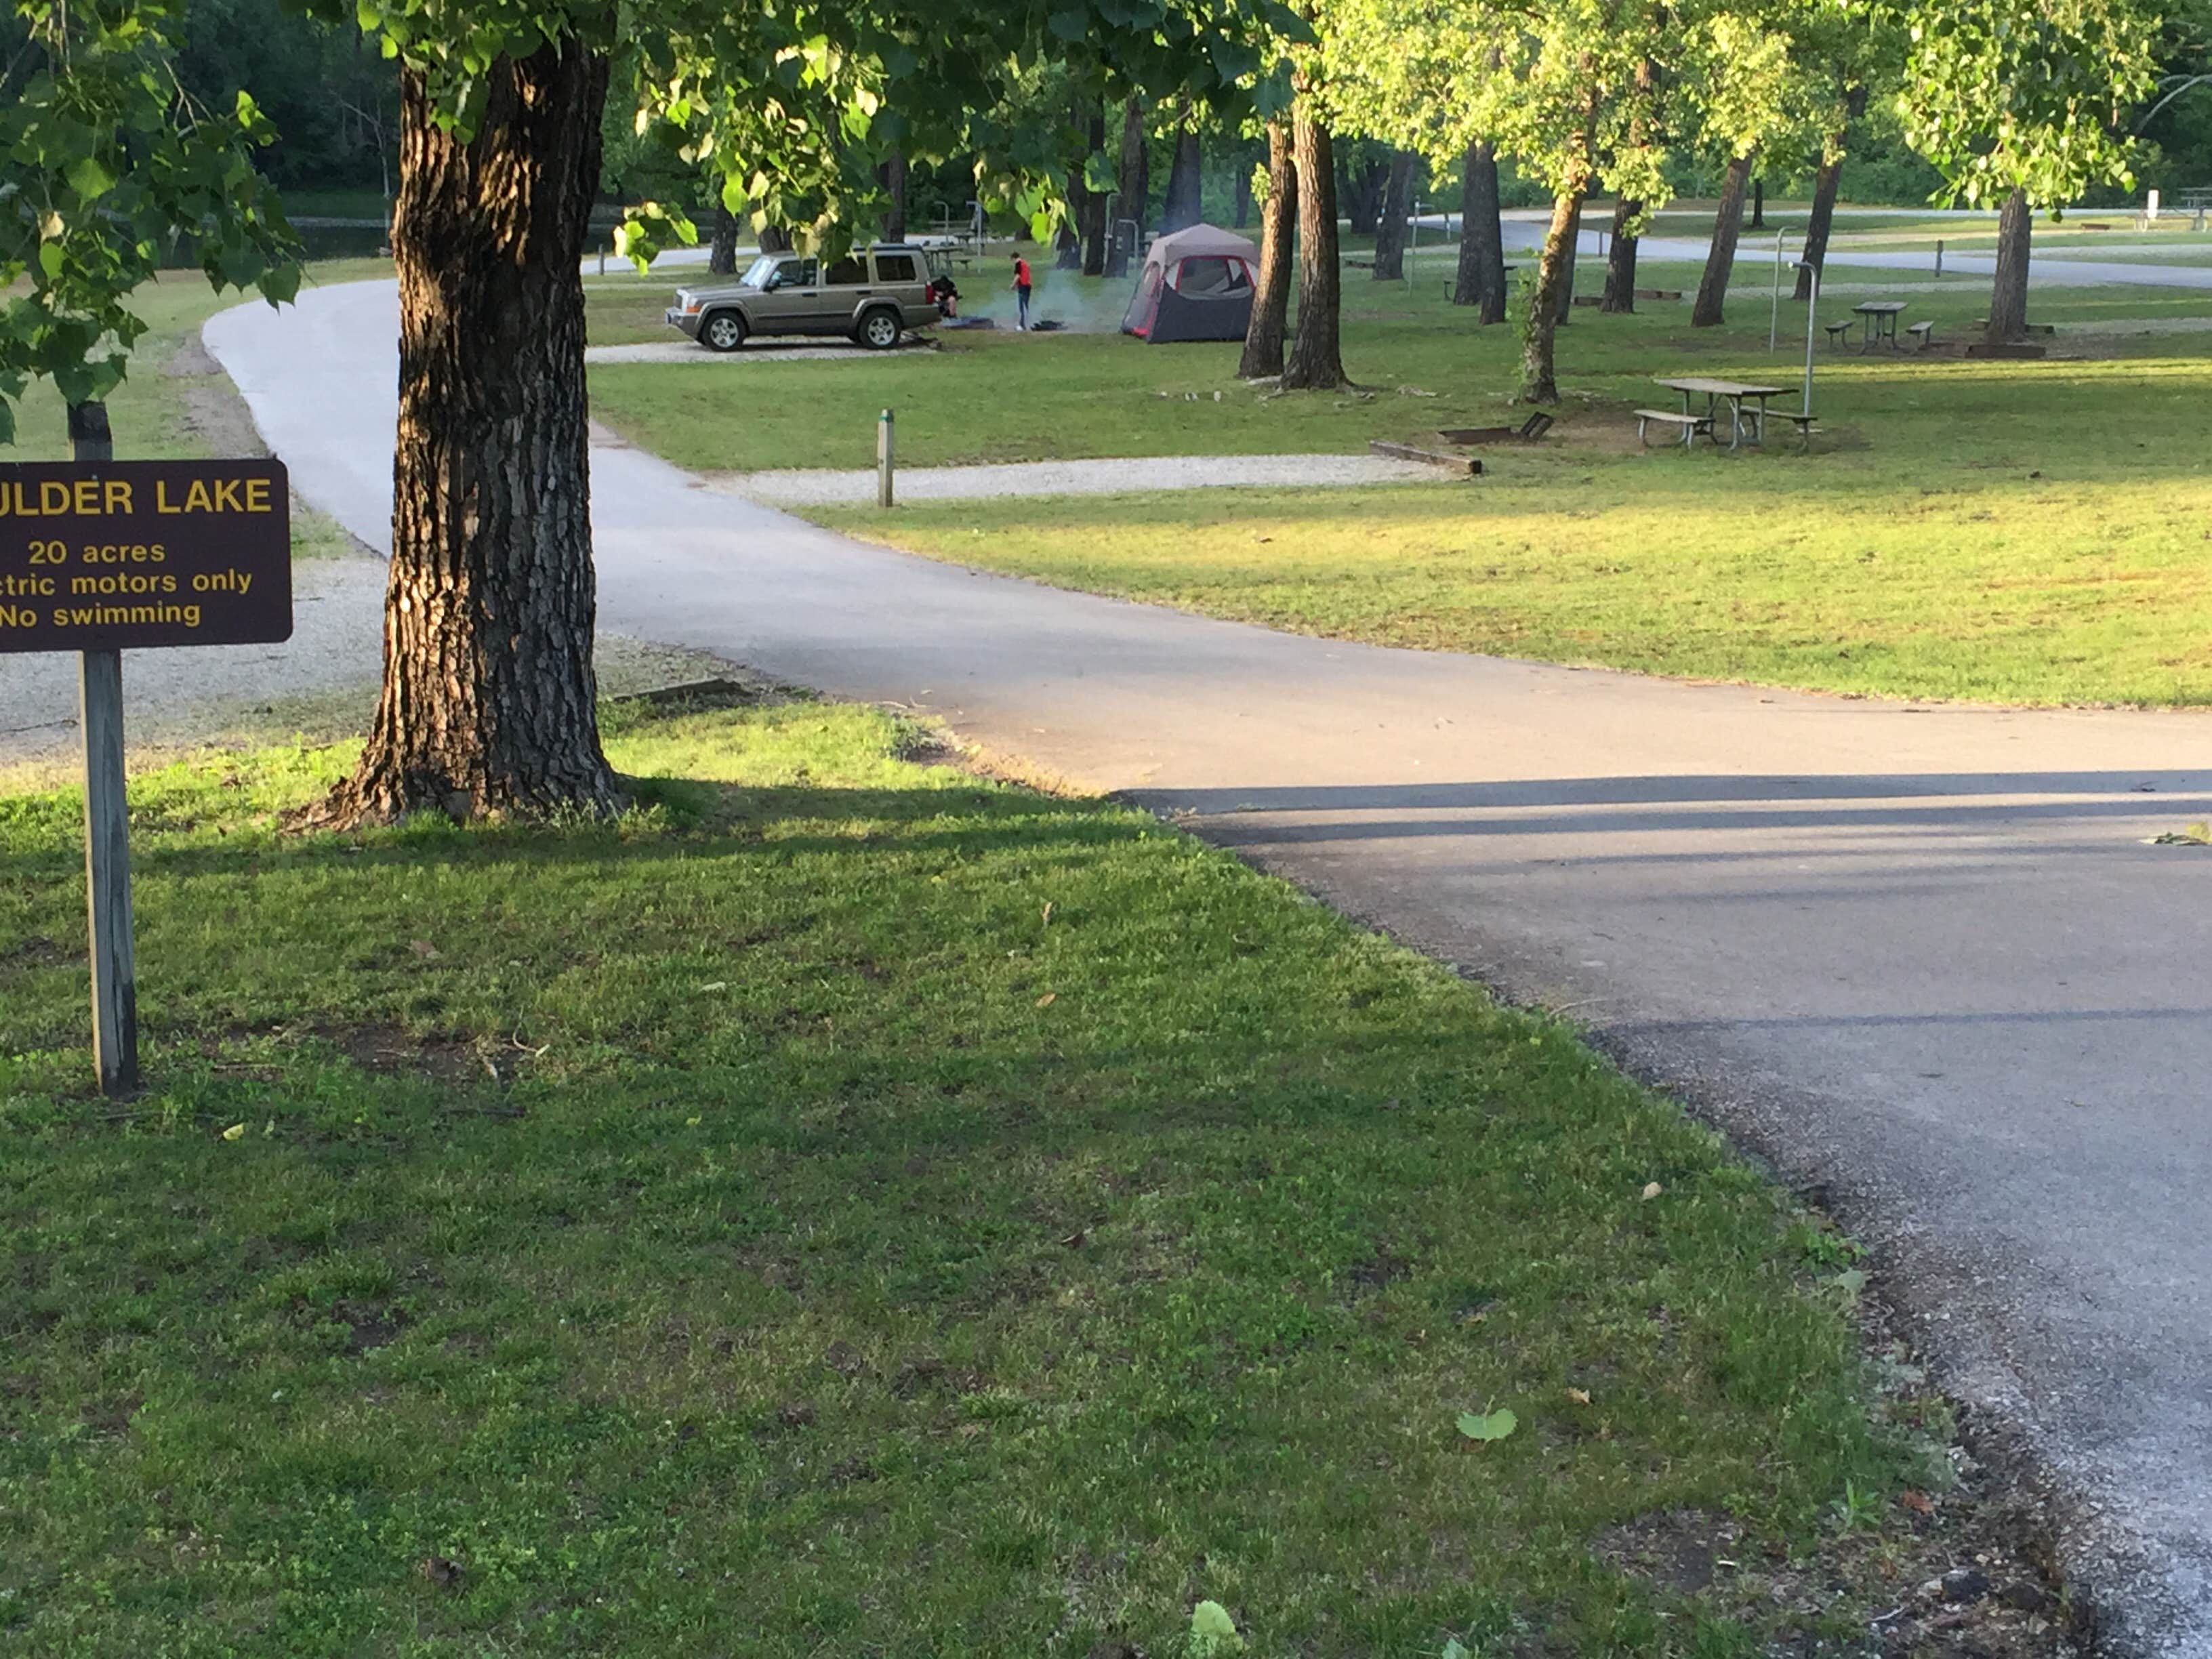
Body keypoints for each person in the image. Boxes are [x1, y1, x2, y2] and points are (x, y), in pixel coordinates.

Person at [1010, 251, 1033, 330]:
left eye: (1012, 260)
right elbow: (1026, 274)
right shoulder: (1025, 263)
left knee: (1022, 306)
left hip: (1023, 286)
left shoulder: (1018, 264)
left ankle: (1022, 325)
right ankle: (1028, 322)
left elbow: (1018, 276)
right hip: (1028, 285)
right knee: (1026, 305)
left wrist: (1013, 285)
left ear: (1014, 258)